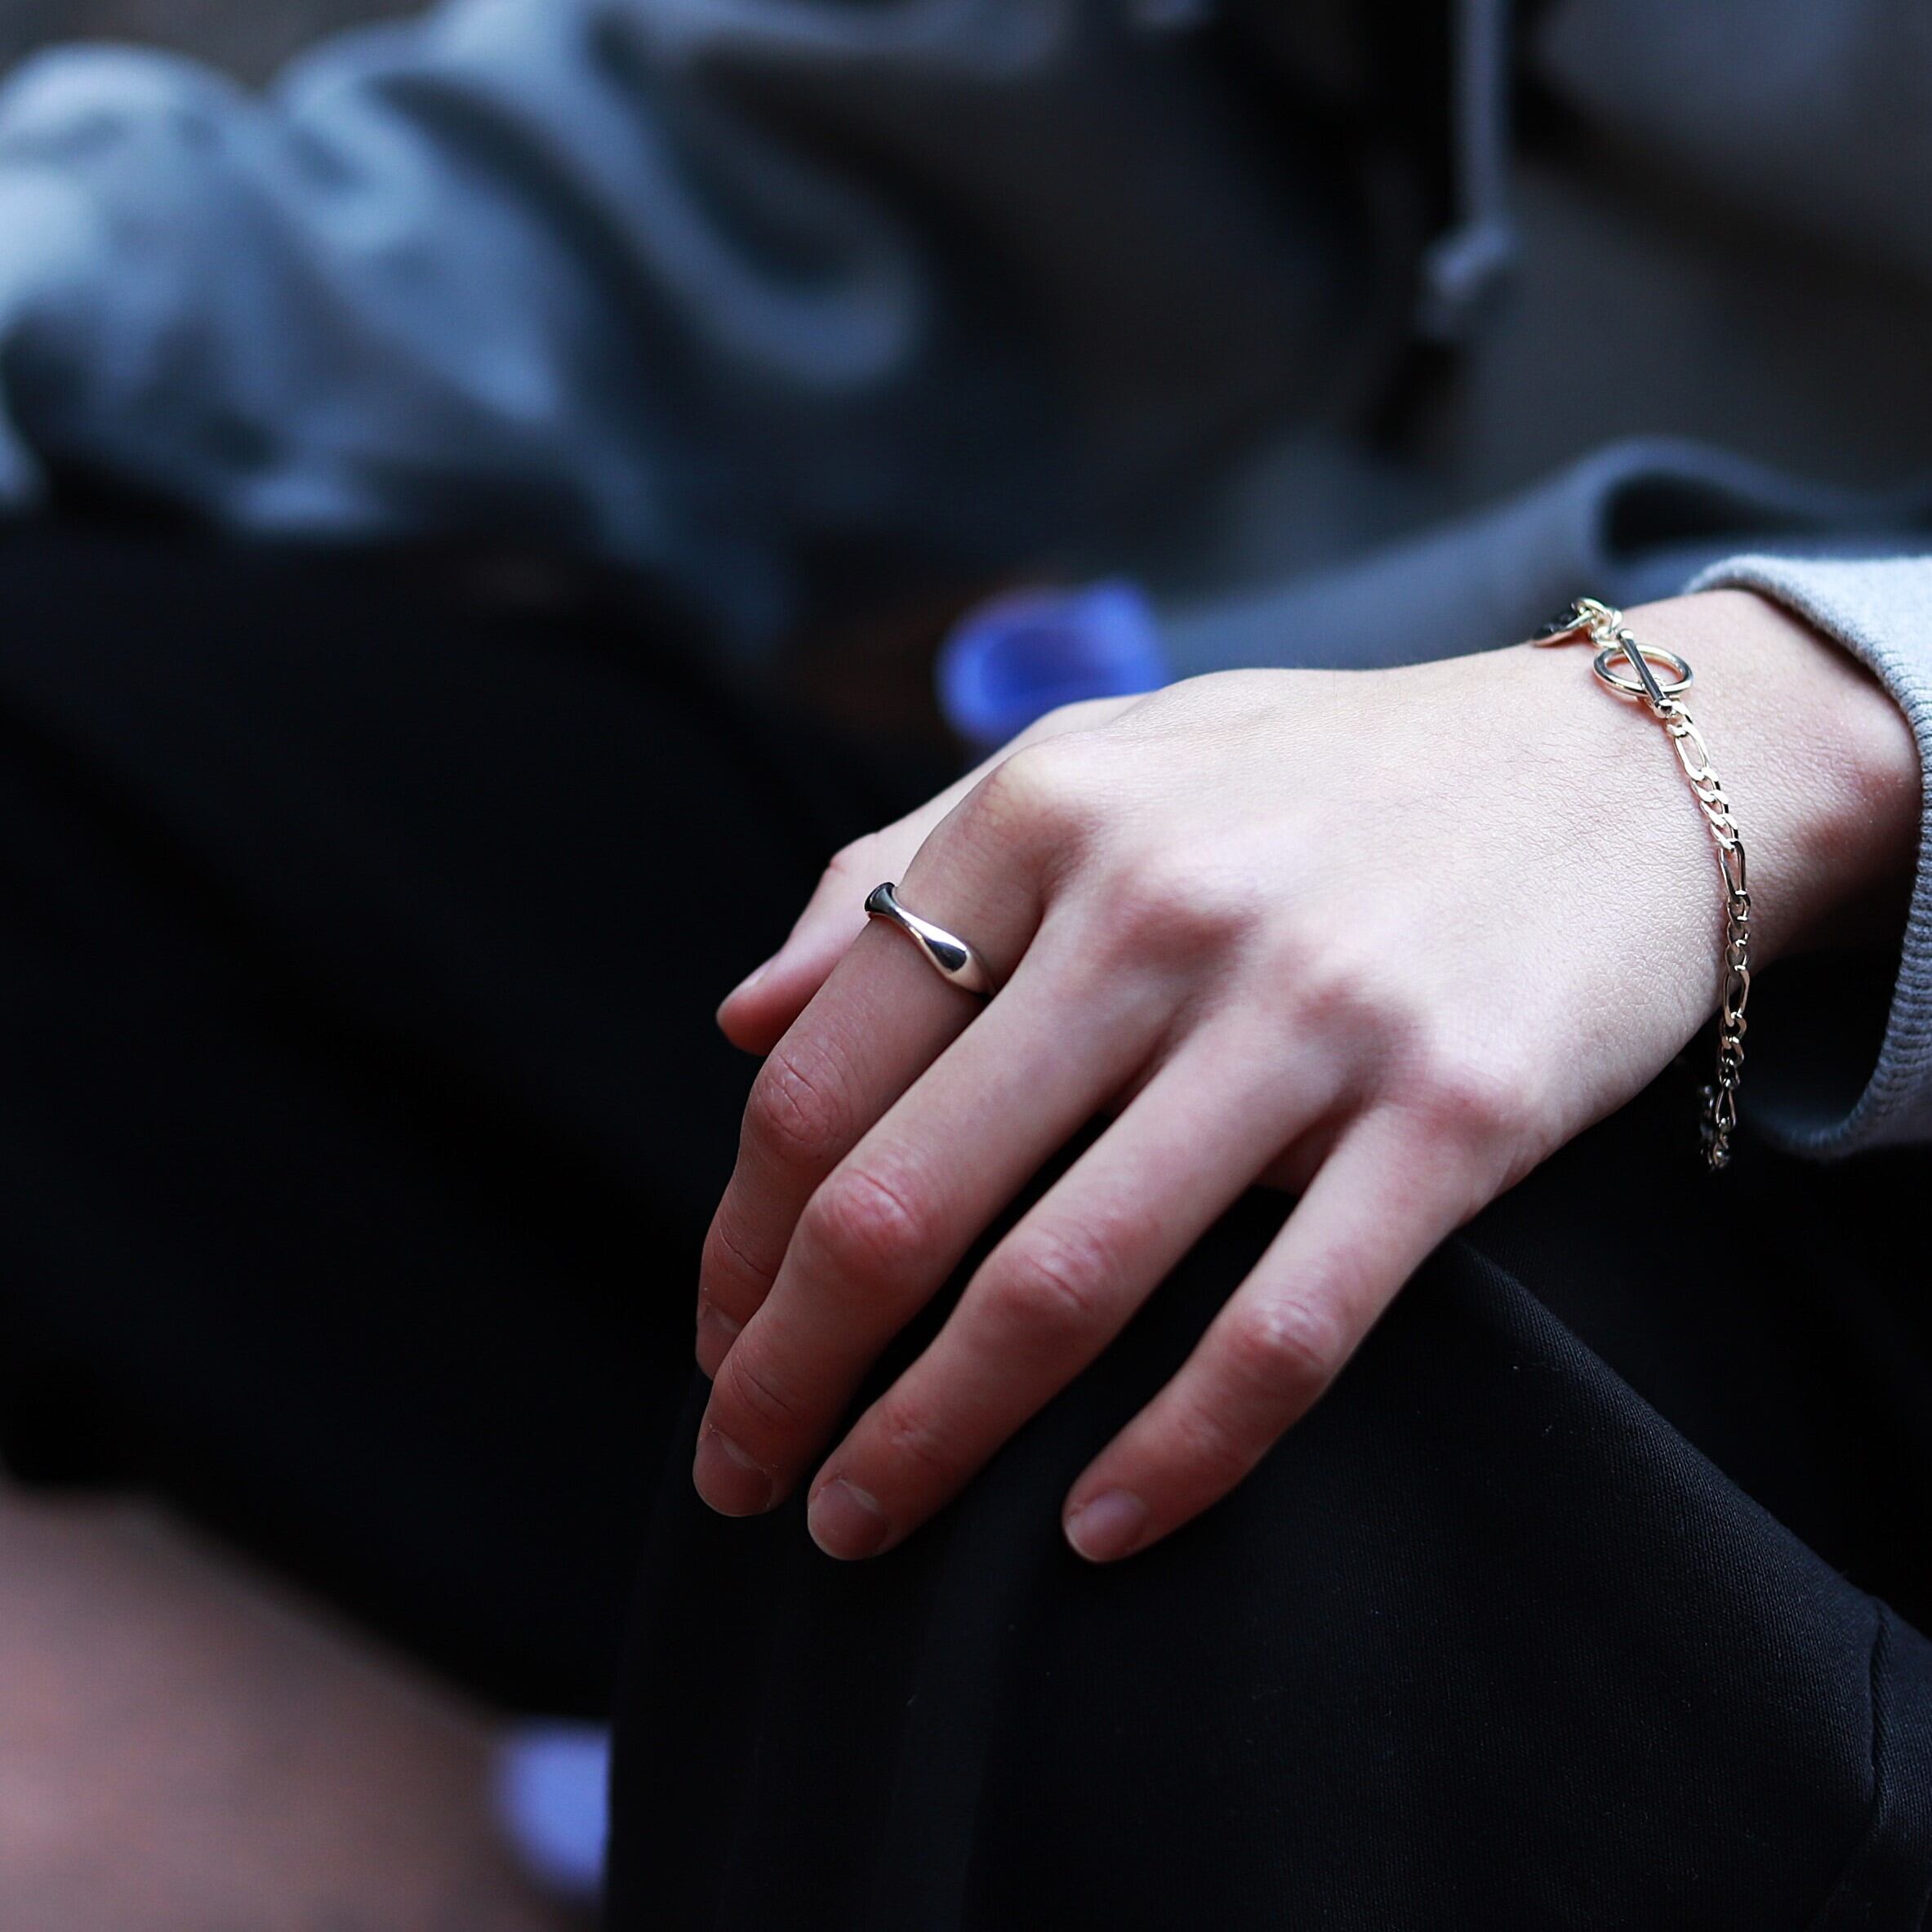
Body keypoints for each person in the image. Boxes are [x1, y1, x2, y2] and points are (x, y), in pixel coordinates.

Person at [1, 0, 1931, 1924]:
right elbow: (785, 156)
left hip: (1814, 987)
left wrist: (1797, 725)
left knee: (1201, 1272)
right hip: (1186, 769)